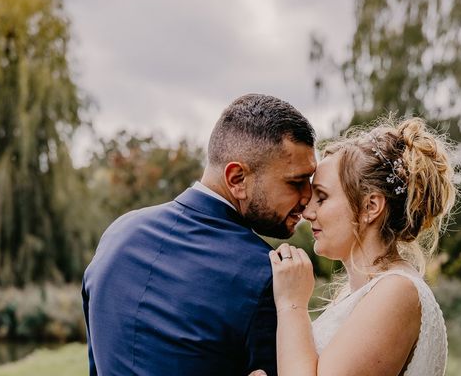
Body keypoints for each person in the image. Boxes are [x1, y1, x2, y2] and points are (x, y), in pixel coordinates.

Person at [82, 94, 317, 376]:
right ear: (237, 179)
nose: (308, 196)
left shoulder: (118, 234)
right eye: (296, 182)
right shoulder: (267, 275)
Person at [263, 117, 457, 376]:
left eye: (322, 197)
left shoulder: (397, 292)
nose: (308, 211)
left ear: (370, 207)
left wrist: (292, 305)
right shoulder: (365, 293)